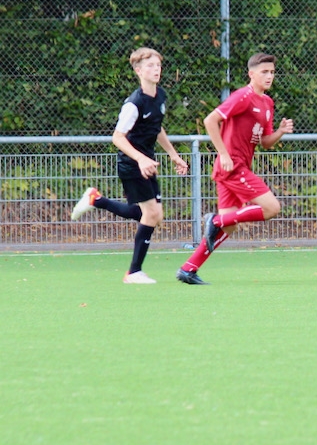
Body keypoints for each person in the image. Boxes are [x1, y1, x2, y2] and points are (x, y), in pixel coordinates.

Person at [71, 47, 190, 284]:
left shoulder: (160, 96)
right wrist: (140, 159)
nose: (156, 70)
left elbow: (157, 128)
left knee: (154, 215)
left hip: (146, 162)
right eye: (150, 66)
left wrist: (173, 155)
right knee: (151, 214)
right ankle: (134, 272)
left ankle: (96, 200)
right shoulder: (133, 104)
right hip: (131, 164)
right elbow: (117, 137)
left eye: (158, 65)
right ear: (138, 71)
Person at [175, 52, 294, 285]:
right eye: (264, 72)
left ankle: (188, 269)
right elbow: (210, 120)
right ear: (251, 74)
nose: (269, 76)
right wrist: (223, 153)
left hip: (234, 167)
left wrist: (280, 131)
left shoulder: (267, 103)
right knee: (271, 207)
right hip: (233, 166)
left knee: (229, 227)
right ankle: (214, 221)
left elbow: (265, 142)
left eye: (272, 72)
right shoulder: (243, 96)